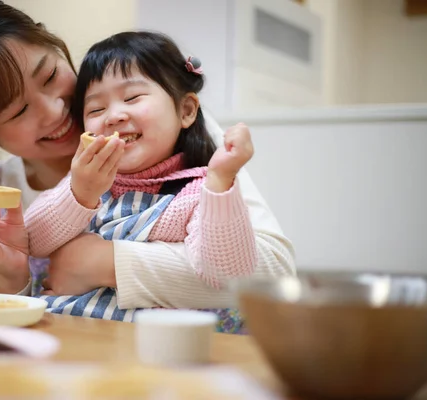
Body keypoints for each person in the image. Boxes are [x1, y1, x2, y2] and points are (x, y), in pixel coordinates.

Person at [0, 0, 295, 333]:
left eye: (49, 76)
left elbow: (272, 274)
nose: (57, 110)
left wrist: (107, 262)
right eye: (20, 110)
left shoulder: (172, 131)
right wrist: (12, 275)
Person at [26, 31, 257, 295]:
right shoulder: (83, 184)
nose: (113, 116)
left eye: (132, 98)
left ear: (186, 111)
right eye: (96, 109)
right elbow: (32, 241)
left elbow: (228, 275)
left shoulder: (197, 193)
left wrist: (219, 181)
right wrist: (79, 194)